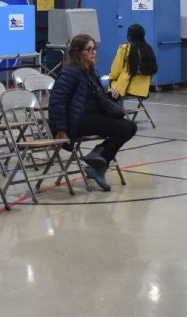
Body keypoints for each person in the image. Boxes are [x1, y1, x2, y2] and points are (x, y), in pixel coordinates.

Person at [48, 34, 137, 192]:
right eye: (88, 49)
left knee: (130, 126)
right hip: (76, 121)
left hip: (91, 116)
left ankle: (98, 160)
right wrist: (61, 130)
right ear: (77, 52)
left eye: (94, 49)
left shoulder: (90, 72)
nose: (93, 52)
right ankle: (98, 159)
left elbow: (95, 97)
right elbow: (57, 102)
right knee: (122, 128)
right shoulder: (70, 73)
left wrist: (110, 96)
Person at [109, 23, 157, 99]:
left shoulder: (124, 49)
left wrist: (110, 79)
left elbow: (115, 72)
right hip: (143, 91)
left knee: (104, 85)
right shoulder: (149, 50)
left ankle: (117, 109)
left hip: (125, 89)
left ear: (129, 36)